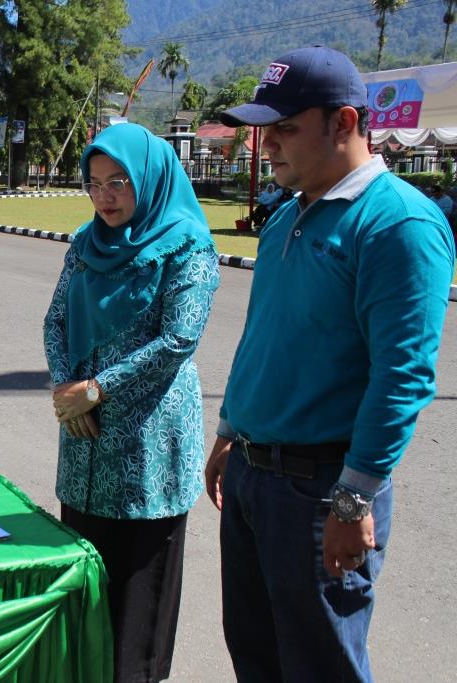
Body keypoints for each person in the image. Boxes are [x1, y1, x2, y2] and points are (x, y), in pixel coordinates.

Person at [205, 46, 454, 682]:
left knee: (322, 666)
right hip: (256, 478)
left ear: (343, 123)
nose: (268, 146)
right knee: (257, 658)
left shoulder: (398, 224)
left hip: (322, 490)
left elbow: (402, 376)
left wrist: (353, 500)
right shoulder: (290, 214)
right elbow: (265, 336)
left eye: (285, 128)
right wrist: (231, 430)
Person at [43, 123, 220, 683]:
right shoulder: (84, 244)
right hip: (84, 439)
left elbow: (178, 340)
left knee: (140, 603)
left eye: (118, 181)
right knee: (86, 582)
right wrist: (67, 388)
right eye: (94, 183)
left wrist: (96, 390)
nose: (105, 196)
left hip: (150, 446)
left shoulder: (187, 244)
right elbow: (56, 321)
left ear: (149, 177)